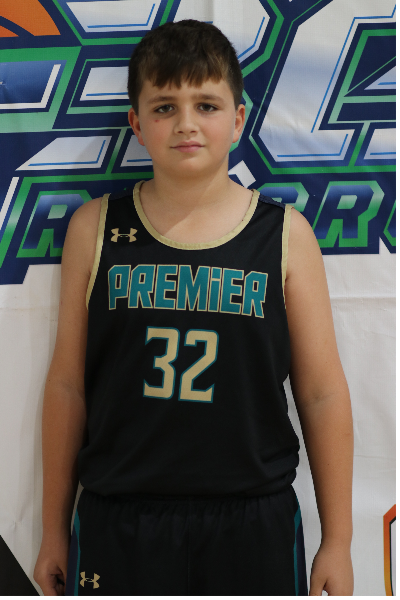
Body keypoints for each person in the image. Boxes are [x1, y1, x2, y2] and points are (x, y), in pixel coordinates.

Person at [33, 20, 354, 597]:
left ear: (238, 119)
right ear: (136, 124)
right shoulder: (94, 228)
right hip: (120, 518)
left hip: (252, 521)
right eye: (164, 107)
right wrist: (53, 531)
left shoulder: (286, 234)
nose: (185, 123)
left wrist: (339, 539)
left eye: (206, 104)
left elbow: (321, 393)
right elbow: (68, 387)